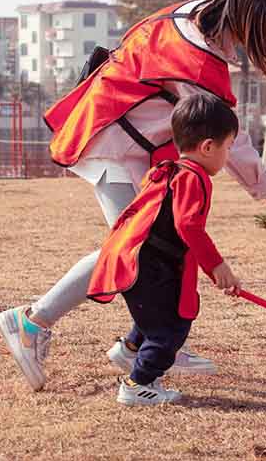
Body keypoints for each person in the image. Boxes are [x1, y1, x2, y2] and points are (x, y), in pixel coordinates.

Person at [0, 0, 266, 392]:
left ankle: (139, 344)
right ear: (260, 15)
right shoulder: (197, 63)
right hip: (108, 143)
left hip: (128, 142)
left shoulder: (196, 16)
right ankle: (31, 322)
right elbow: (229, 142)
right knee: (133, 250)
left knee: (164, 247)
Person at [89, 94, 240, 406]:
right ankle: (137, 384)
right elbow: (188, 225)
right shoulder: (193, 178)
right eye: (228, 147)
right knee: (170, 330)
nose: (228, 155)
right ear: (208, 147)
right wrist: (217, 266)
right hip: (148, 265)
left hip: (140, 261)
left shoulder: (170, 169)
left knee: (158, 315)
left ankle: (129, 349)